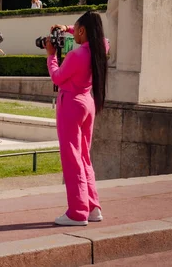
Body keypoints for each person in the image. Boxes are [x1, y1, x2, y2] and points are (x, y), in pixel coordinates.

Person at [46, 11, 108, 226]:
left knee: (72, 159)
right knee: (83, 157)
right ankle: (92, 207)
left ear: (83, 31)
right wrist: (68, 28)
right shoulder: (101, 49)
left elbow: (57, 77)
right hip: (87, 103)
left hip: (71, 104)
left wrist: (51, 54)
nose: (73, 36)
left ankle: (77, 212)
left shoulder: (76, 55)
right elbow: (98, 38)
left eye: (76, 30)